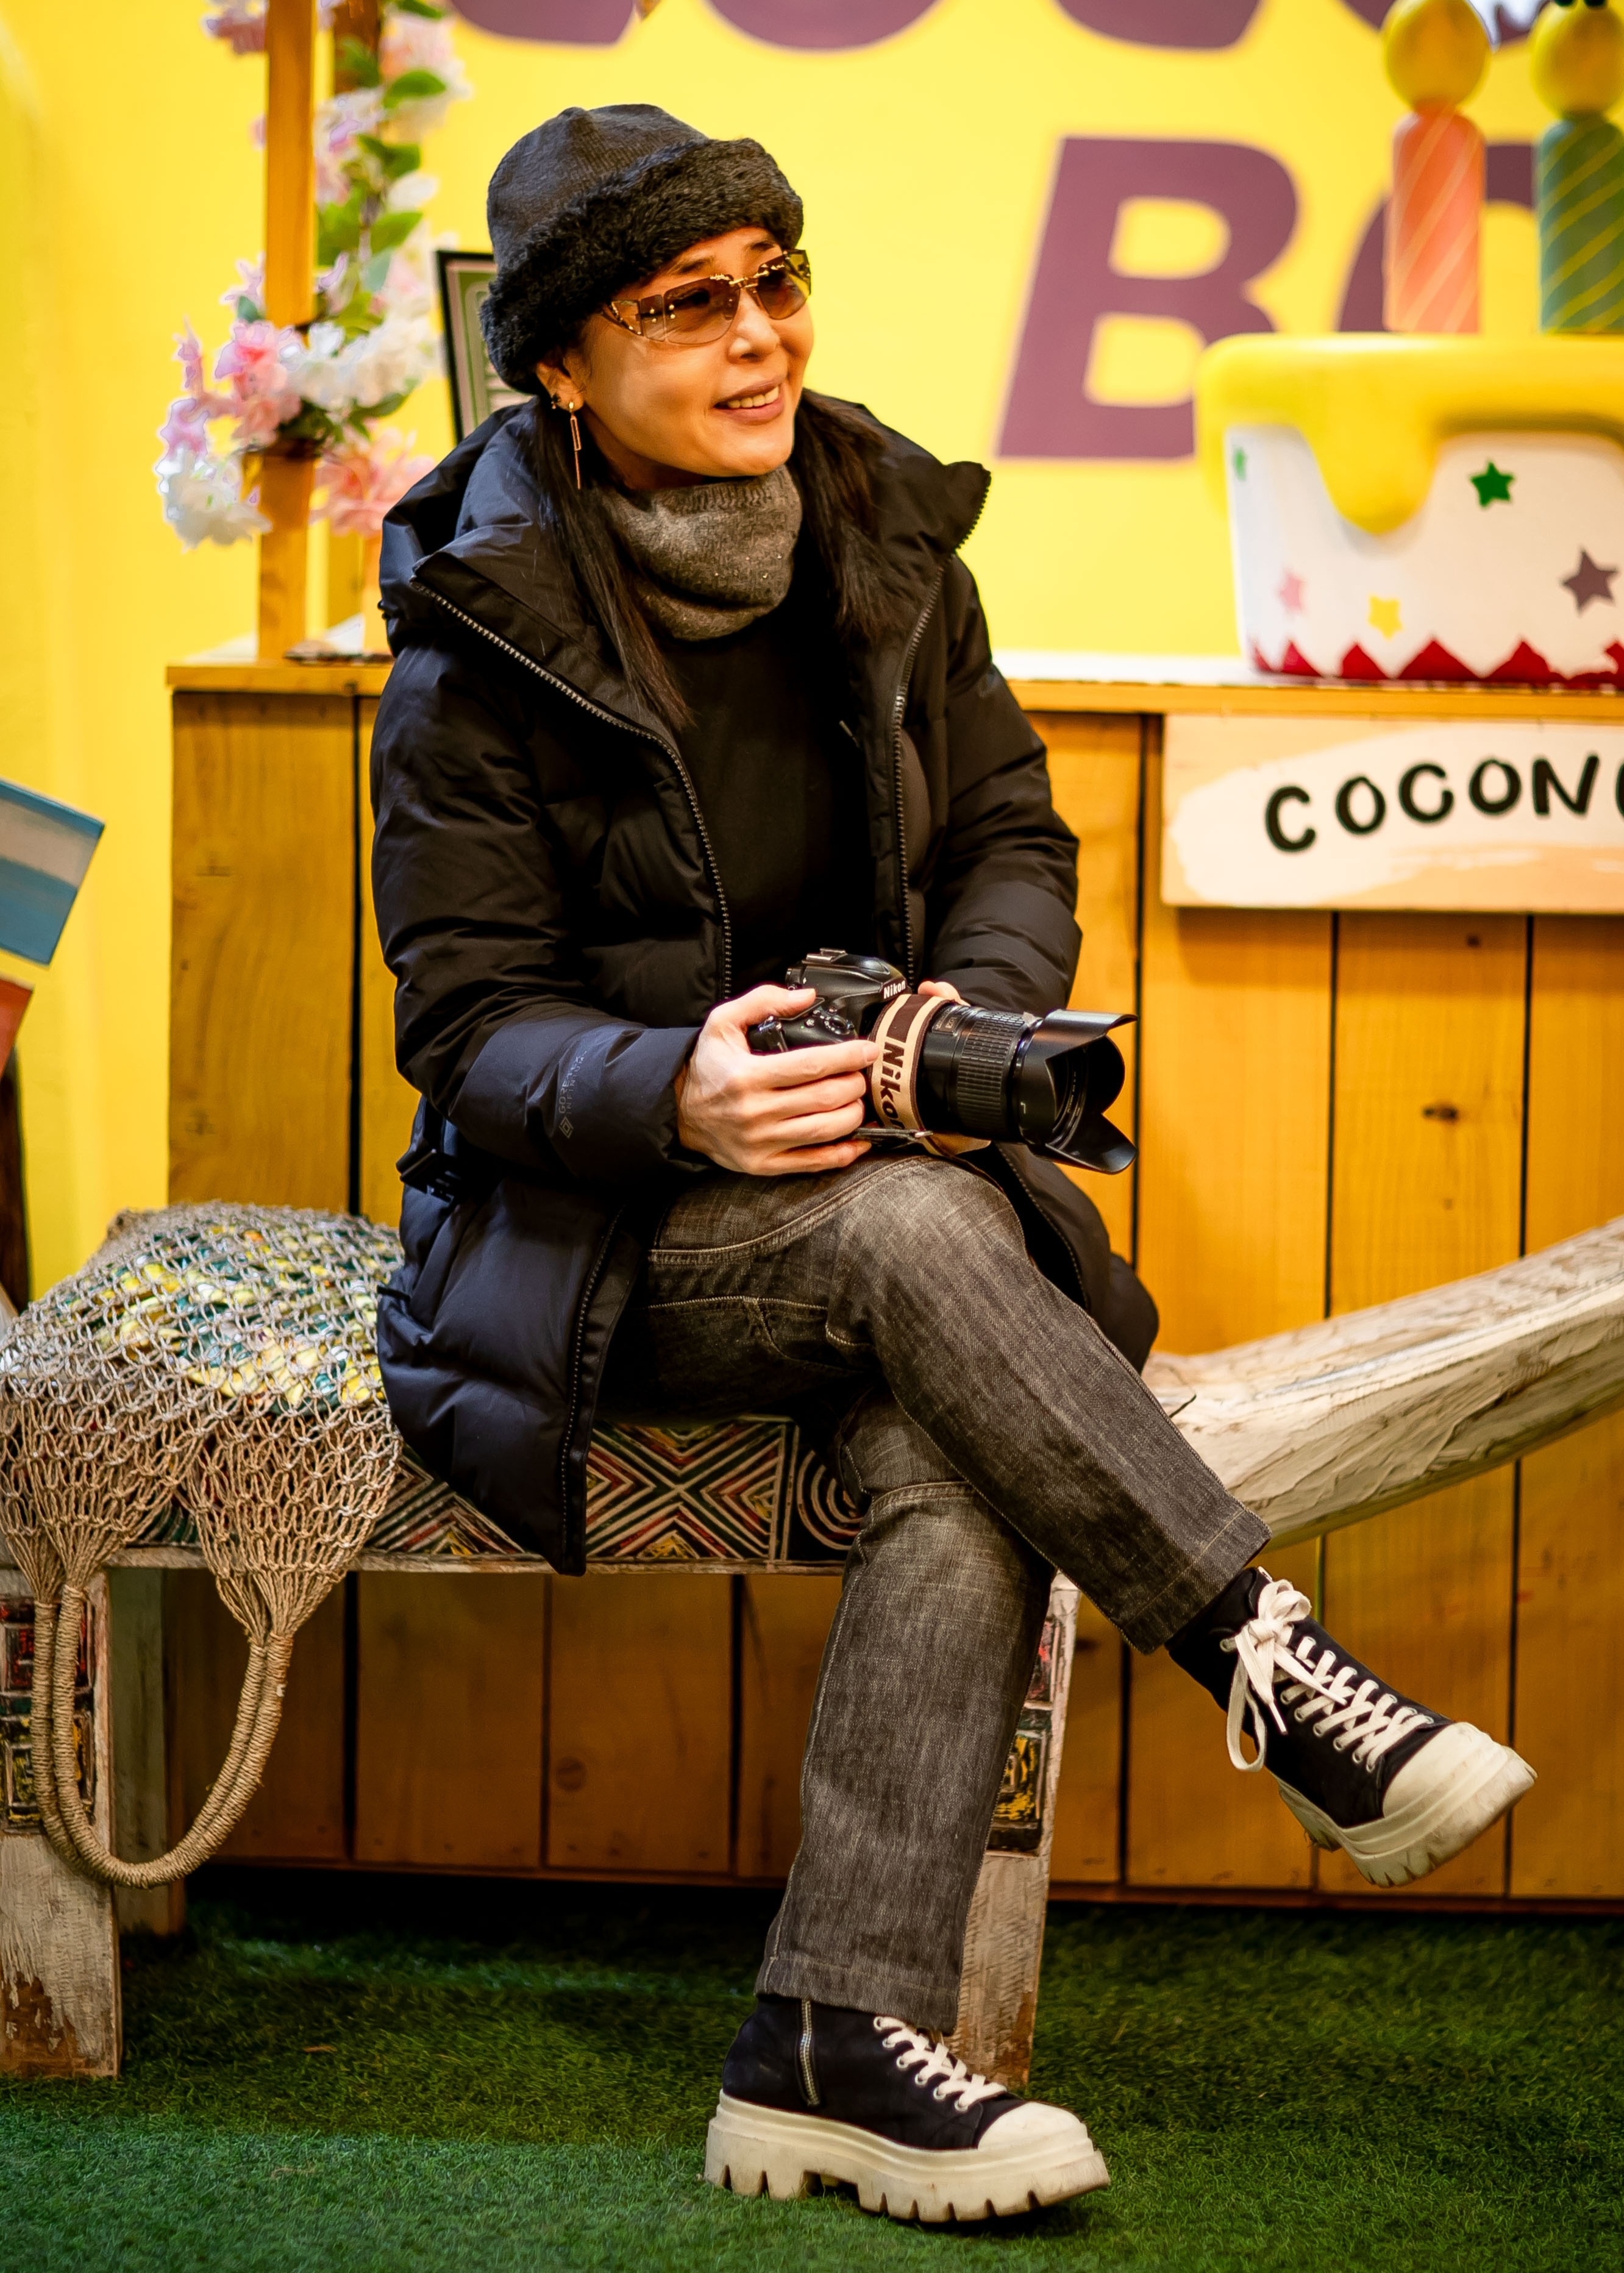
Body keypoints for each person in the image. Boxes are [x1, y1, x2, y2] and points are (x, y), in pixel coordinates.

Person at [369, 104, 1535, 2225]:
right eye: (689, 305)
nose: (759, 336)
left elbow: (1010, 833)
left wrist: (943, 1030)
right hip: (593, 1237)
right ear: (560, 366)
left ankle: (824, 2038)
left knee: (946, 1439)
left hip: (882, 1204)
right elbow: (463, 1028)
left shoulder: (886, 533)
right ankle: (1266, 1658)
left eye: (777, 281)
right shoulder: (475, 629)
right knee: (919, 1236)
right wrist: (677, 1091)